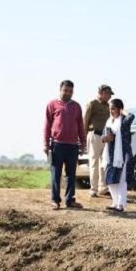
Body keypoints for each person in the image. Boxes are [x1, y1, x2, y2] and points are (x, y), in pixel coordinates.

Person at [43, 80, 86, 210]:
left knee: (71, 174)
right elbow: (46, 125)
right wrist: (46, 144)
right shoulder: (52, 105)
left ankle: (70, 200)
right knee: (56, 173)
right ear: (60, 90)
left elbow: (80, 125)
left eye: (70, 91)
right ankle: (55, 200)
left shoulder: (76, 106)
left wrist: (83, 143)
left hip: (73, 145)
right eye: (65, 90)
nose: (68, 93)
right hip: (57, 145)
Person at [101, 99, 135, 213]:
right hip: (110, 155)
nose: (111, 111)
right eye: (110, 109)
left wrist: (123, 111)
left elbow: (131, 116)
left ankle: (120, 204)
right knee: (110, 179)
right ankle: (114, 202)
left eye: (114, 108)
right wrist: (105, 138)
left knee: (121, 179)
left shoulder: (124, 121)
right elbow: (103, 136)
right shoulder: (109, 121)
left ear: (119, 109)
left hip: (122, 154)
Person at [83, 84, 113, 197]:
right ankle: (93, 189)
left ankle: (103, 187)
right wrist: (83, 138)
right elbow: (85, 122)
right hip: (94, 135)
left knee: (104, 162)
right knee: (94, 163)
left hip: (104, 137)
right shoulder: (92, 104)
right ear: (103, 93)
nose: (109, 97)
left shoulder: (108, 106)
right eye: (109, 94)